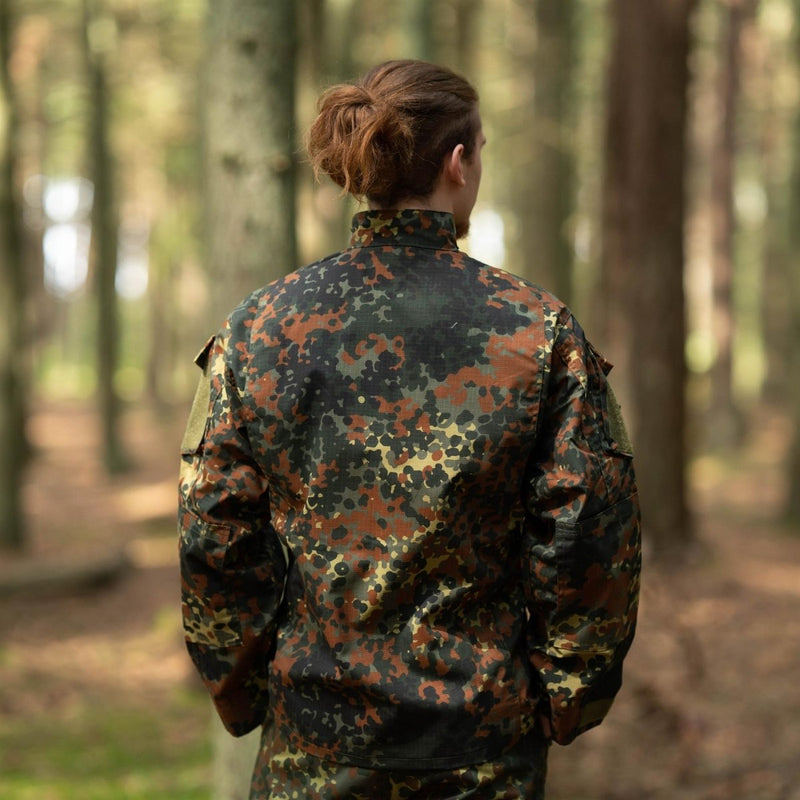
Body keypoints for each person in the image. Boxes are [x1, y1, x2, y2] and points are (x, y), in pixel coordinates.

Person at [179, 59, 641, 800]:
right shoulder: (538, 329)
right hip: (480, 753)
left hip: (312, 747)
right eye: (479, 149)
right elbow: (589, 533)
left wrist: (239, 689)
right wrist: (569, 695)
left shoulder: (259, 326)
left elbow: (215, 531)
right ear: (458, 163)